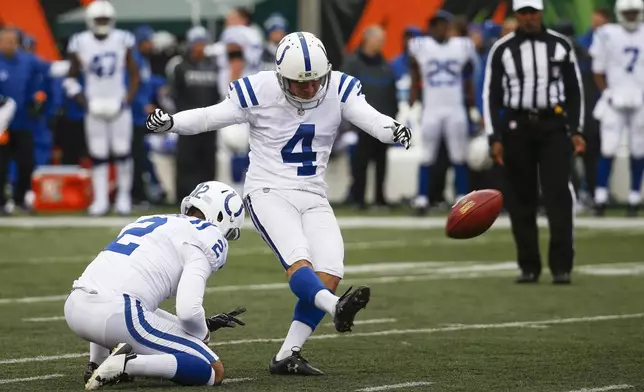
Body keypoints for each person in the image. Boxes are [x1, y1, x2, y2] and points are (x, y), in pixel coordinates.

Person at [146, 31, 412, 375]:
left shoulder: (339, 88)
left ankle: (288, 354)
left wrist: (394, 129)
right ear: (280, 76)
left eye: (315, 81)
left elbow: (371, 117)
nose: (308, 89)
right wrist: (172, 123)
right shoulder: (260, 89)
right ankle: (337, 309)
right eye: (298, 83)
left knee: (330, 271)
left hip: (314, 193)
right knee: (298, 261)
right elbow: (212, 116)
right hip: (268, 190)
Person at [65, 180, 246, 389]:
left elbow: (110, 283)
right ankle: (127, 365)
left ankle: (96, 362)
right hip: (118, 313)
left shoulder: (149, 220)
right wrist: (202, 335)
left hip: (75, 304)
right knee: (213, 370)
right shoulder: (208, 235)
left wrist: (200, 324)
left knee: (118, 294)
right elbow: (188, 311)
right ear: (222, 217)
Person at [483, 0, 586, 285]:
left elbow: (574, 90)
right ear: (517, 15)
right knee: (521, 198)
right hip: (517, 127)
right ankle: (529, 266)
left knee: (558, 197)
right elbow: (490, 94)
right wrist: (494, 136)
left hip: (553, 126)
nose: (528, 18)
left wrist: (576, 129)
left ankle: (561, 266)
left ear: (541, 13)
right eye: (523, 13)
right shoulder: (502, 48)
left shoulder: (560, 45)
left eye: (533, 12)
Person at [64, 1, 140, 216]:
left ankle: (123, 197)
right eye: (99, 20)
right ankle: (100, 199)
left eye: (105, 20)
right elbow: (70, 78)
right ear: (90, 21)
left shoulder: (122, 39)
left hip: (118, 103)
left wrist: (127, 100)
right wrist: (85, 102)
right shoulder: (80, 42)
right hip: (94, 104)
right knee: (97, 153)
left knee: (122, 151)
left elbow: (135, 74)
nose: (103, 24)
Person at [409, 11, 480, 215]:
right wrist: (413, 94)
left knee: (459, 154)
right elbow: (414, 70)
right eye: (435, 25)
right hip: (431, 108)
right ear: (430, 28)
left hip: (454, 107)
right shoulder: (421, 46)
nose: (439, 28)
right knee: (427, 155)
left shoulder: (462, 46)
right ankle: (422, 198)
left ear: (448, 26)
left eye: (443, 24)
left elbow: (468, 76)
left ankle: (462, 197)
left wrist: (471, 102)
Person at [590, 0, 644, 217]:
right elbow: (597, 70)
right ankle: (600, 196)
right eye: (627, 13)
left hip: (640, 97)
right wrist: (606, 92)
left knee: (639, 149)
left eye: (634, 13)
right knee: (608, 148)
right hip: (614, 96)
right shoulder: (606, 33)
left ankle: (634, 197)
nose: (631, 17)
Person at [342, 26, 398, 209]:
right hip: (360, 123)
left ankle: (379, 197)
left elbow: (392, 94)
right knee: (360, 162)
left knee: (382, 162)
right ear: (367, 39)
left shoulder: (385, 66)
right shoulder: (352, 64)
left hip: (382, 122)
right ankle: (358, 198)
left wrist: (392, 118)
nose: (381, 43)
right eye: (378, 39)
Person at [170, 27, 220, 204]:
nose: (200, 48)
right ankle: (183, 198)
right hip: (189, 122)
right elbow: (176, 95)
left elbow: (217, 94)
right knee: (186, 160)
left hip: (210, 123)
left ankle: (207, 199)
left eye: (203, 43)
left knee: (208, 161)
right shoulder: (180, 67)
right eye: (197, 44)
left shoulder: (214, 66)